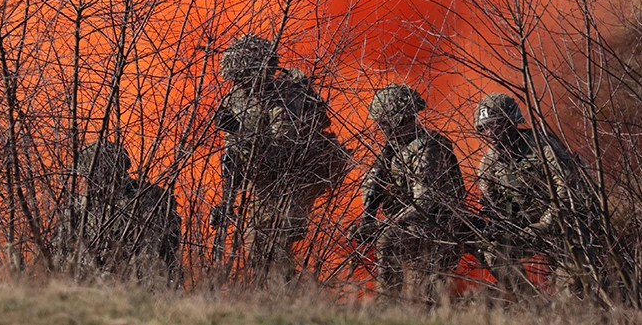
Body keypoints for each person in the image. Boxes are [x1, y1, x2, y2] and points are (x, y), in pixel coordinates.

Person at [211, 34, 350, 284]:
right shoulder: (235, 99)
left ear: (263, 71)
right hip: (261, 182)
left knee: (274, 246)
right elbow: (232, 157)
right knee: (255, 248)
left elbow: (281, 155)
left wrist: (240, 131)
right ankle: (276, 300)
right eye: (237, 79)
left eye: (244, 78)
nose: (240, 85)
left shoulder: (287, 99)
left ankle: (289, 302)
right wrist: (226, 201)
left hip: (293, 181)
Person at [474, 92, 602, 300]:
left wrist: (544, 225)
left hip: (567, 228)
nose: (490, 132)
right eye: (485, 127)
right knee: (493, 250)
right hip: (530, 228)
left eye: (495, 124)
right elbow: (492, 204)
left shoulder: (542, 146)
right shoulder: (488, 164)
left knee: (571, 294)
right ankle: (530, 302)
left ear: (510, 122)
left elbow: (567, 189)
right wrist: (496, 226)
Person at [352, 84, 465, 301]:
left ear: (399, 120)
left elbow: (424, 202)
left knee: (424, 297)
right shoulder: (392, 150)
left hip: (437, 227)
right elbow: (372, 189)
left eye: (385, 123)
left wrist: (384, 225)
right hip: (409, 225)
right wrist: (367, 220)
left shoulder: (426, 147)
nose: (382, 128)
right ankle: (388, 305)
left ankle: (388, 305)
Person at [54, 139, 181, 283]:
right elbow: (59, 254)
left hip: (137, 287)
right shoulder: (78, 209)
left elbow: (160, 252)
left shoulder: (149, 199)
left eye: (92, 175)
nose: (88, 181)